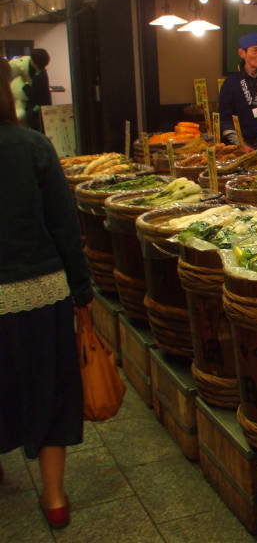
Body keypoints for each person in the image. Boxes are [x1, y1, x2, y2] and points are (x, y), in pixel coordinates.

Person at [0, 57, 92, 529]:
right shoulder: (33, 145)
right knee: (49, 389)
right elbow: (63, 224)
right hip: (41, 291)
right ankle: (54, 497)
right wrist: (82, 291)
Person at [8, 48, 52, 132]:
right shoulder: (42, 74)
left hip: (36, 111)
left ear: (34, 62)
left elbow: (32, 95)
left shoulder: (38, 77)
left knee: (36, 129)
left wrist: (26, 84)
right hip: (39, 109)